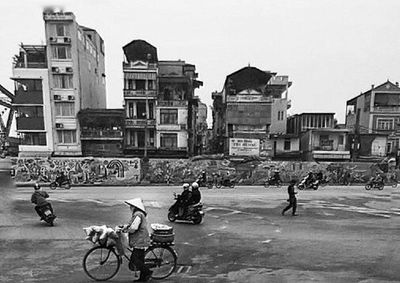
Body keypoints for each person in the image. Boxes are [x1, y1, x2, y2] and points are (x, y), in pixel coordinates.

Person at [120, 198, 152, 282]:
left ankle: (147, 272)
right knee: (140, 260)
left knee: (135, 260)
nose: (130, 208)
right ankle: (142, 278)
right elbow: (132, 224)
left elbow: (134, 227)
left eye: (131, 206)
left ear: (135, 207)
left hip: (140, 240)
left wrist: (126, 230)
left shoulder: (137, 214)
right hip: (141, 239)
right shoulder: (139, 214)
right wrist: (125, 226)